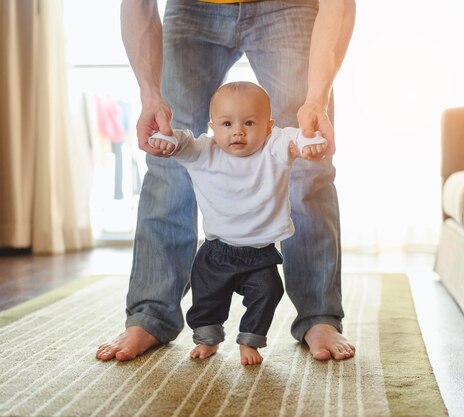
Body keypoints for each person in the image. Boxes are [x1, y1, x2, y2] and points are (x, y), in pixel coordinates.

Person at [96, 0, 356, 362]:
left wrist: (317, 98)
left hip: (289, 7)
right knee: (168, 155)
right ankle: (149, 316)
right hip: (192, 8)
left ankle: (319, 316)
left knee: (309, 155)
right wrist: (151, 95)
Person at [149, 81, 327, 365]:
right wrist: (167, 141)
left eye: (249, 123)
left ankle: (250, 340)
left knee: (269, 292)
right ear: (213, 127)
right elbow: (181, 142)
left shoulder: (273, 149)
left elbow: (295, 137)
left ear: (268, 127)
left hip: (260, 254)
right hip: (216, 251)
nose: (238, 131)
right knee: (206, 299)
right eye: (227, 123)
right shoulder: (204, 152)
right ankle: (208, 339)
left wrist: (308, 142)